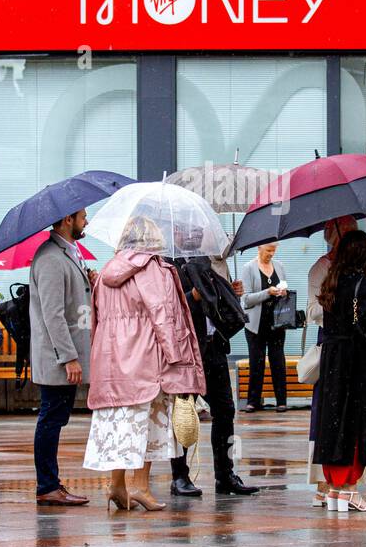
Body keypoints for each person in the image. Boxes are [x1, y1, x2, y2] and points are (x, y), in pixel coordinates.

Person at [84, 216, 205, 511]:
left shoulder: (105, 272)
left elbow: (96, 318)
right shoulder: (154, 269)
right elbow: (165, 316)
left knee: (122, 421)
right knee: (148, 422)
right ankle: (141, 487)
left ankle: (116, 485)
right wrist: (178, 358)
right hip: (147, 359)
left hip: (112, 361)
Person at [169, 255, 259, 498]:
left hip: (214, 345)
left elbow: (215, 298)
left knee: (225, 410)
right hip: (187, 349)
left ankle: (225, 474)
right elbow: (165, 307)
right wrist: (191, 298)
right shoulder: (168, 265)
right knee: (183, 412)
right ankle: (179, 475)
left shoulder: (205, 262)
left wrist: (231, 290)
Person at [313, 229, 366, 512]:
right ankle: (350, 488)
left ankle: (333, 488)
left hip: (332, 358)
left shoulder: (332, 281)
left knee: (332, 417)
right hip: (356, 361)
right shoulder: (363, 285)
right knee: (354, 419)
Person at [29, 208, 94, 507]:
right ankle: (47, 486)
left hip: (66, 353)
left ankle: (50, 483)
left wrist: (89, 283)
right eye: (83, 217)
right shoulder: (51, 258)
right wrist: (68, 358)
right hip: (56, 357)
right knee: (51, 418)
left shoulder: (68, 252)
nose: (87, 222)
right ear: (68, 220)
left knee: (56, 417)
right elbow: (52, 314)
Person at [306, 216, 358, 507]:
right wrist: (339, 310)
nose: (353, 235)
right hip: (330, 344)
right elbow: (313, 310)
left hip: (351, 346)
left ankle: (342, 478)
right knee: (325, 412)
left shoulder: (354, 268)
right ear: (334, 233)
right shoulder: (321, 267)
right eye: (348, 230)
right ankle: (323, 481)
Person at [240, 242, 290, 412]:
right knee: (256, 363)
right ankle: (253, 401)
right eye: (268, 250)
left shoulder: (280, 266)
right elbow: (246, 299)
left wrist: (283, 292)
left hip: (277, 323)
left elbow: (284, 288)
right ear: (259, 248)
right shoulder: (248, 268)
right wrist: (267, 293)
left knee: (278, 362)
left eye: (274, 250)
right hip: (255, 325)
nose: (271, 254)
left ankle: (281, 401)